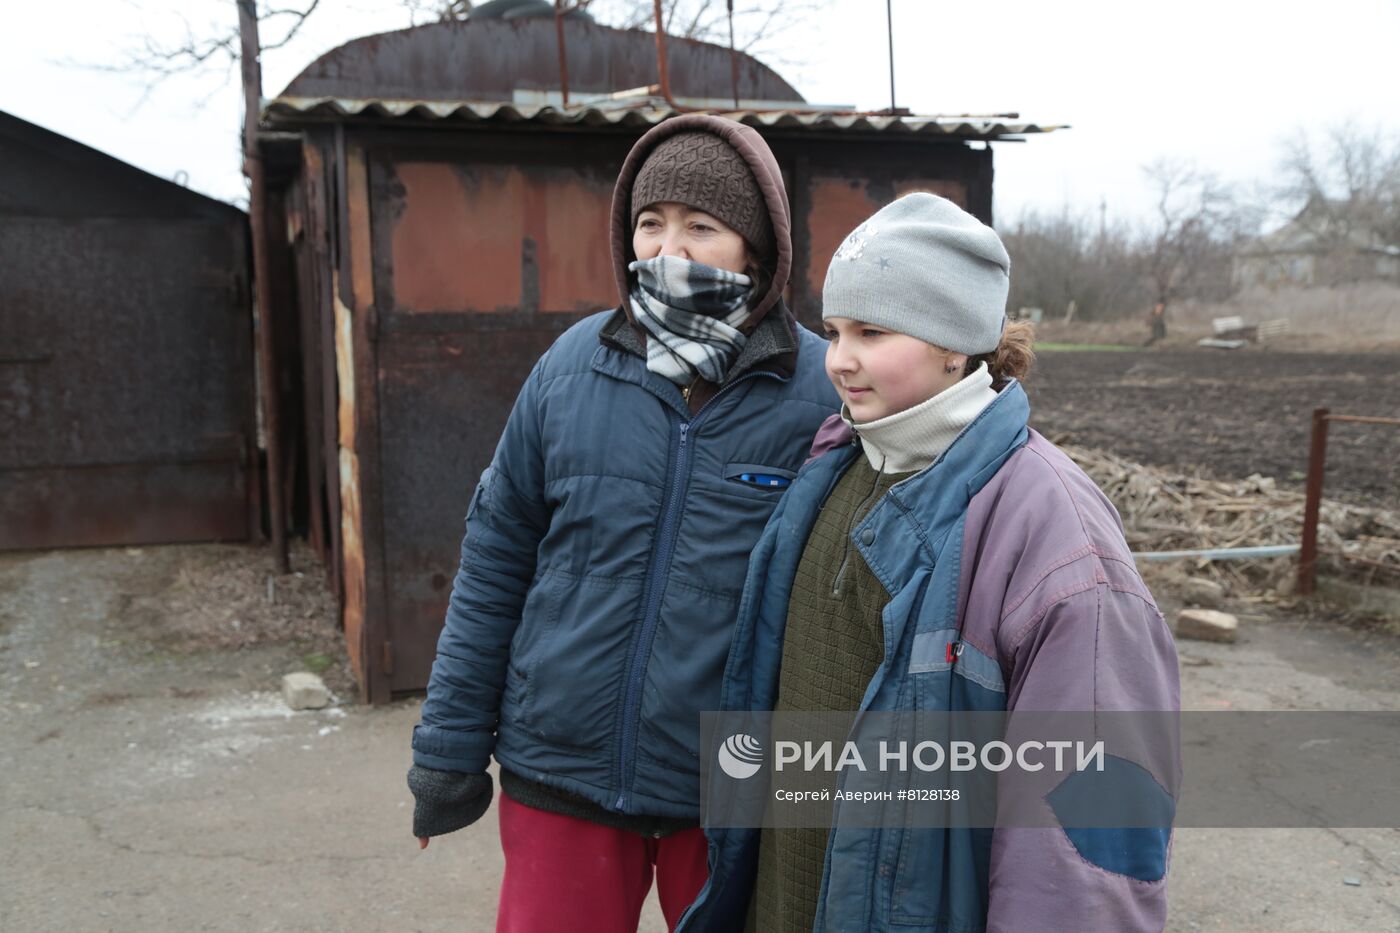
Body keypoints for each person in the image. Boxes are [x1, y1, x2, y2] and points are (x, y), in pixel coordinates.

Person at [677, 193, 1181, 932]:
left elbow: (1089, 853)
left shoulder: (1059, 543)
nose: (840, 359)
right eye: (836, 330)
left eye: (873, 331)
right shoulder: (834, 464)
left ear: (957, 342)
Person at [406, 114, 840, 933]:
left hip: (729, 790)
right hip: (559, 767)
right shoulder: (571, 366)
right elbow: (495, 563)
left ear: (758, 246)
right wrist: (447, 751)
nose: (668, 250)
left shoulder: (819, 391)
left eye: (701, 227)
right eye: (650, 222)